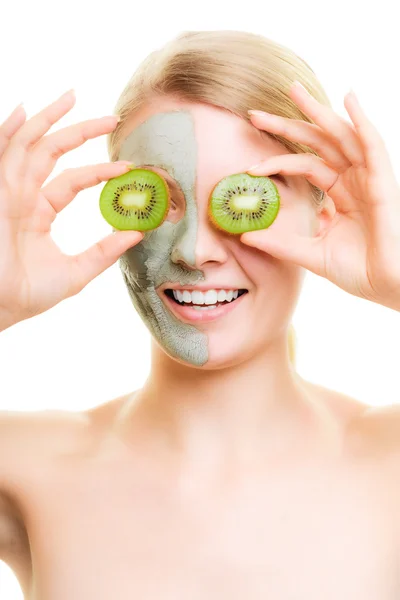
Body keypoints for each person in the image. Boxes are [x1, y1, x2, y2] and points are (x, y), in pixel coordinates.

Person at [1, 29, 400, 599]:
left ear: (327, 210)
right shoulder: (25, 467)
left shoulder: (392, 464)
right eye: (158, 198)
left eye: (242, 198)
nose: (195, 250)